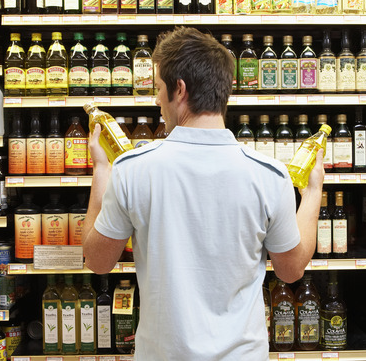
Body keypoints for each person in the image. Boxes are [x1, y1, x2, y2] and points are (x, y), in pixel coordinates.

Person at [82, 26, 324, 360]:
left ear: (179, 90)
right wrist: (313, 192)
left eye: (159, 88)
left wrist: (101, 171)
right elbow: (291, 269)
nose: (156, 100)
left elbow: (97, 261)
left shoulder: (132, 169)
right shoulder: (269, 175)